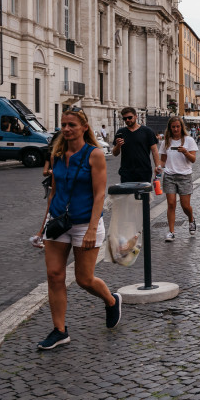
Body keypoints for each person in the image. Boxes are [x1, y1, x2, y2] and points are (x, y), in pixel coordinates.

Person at [36, 108, 121, 350]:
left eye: (71, 124)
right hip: (58, 223)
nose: (66, 129)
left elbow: (99, 194)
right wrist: (42, 227)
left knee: (84, 279)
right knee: (54, 275)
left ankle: (111, 300)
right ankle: (59, 330)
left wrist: (93, 228)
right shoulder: (56, 154)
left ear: (84, 127)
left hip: (85, 223)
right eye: (63, 124)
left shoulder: (94, 154)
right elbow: (53, 192)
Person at [159, 116, 198, 242]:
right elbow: (163, 159)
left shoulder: (189, 140)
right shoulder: (166, 141)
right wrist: (159, 167)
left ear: (182, 127)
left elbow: (193, 159)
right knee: (171, 204)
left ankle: (191, 219)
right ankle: (171, 231)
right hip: (169, 175)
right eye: (173, 127)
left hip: (184, 176)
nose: (176, 129)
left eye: (178, 126)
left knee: (185, 205)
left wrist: (186, 152)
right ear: (170, 128)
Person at [113, 107, 162, 183]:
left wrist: (157, 167)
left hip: (144, 171)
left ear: (136, 116)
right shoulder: (120, 132)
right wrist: (118, 145)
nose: (127, 120)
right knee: (127, 194)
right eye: (125, 119)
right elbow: (115, 153)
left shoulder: (147, 131)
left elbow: (154, 151)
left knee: (144, 194)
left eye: (129, 117)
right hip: (126, 172)